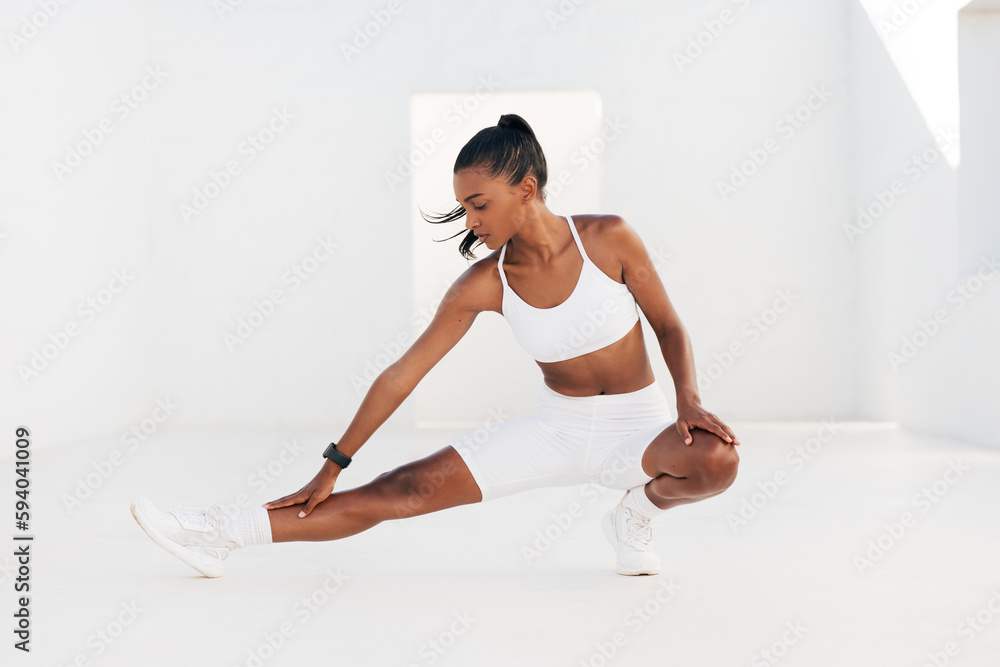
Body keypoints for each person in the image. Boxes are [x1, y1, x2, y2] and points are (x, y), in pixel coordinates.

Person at [130, 113, 741, 578]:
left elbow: (669, 327)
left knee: (716, 460)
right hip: (555, 430)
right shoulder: (484, 282)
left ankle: (636, 514)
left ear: (526, 189)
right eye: (464, 208)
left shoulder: (609, 239)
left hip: (639, 426)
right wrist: (332, 465)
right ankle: (218, 533)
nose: (471, 221)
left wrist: (687, 398)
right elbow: (403, 374)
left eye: (479, 204)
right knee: (402, 491)